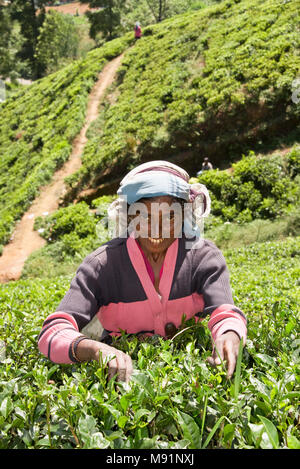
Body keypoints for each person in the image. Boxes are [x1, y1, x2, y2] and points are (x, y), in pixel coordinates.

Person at [38, 160, 247, 383]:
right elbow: (53, 332)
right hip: (122, 389)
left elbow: (225, 312)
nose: (157, 229)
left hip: (190, 380)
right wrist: (95, 350)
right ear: (129, 216)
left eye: (170, 216)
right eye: (145, 216)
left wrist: (229, 335)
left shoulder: (203, 257)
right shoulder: (101, 266)